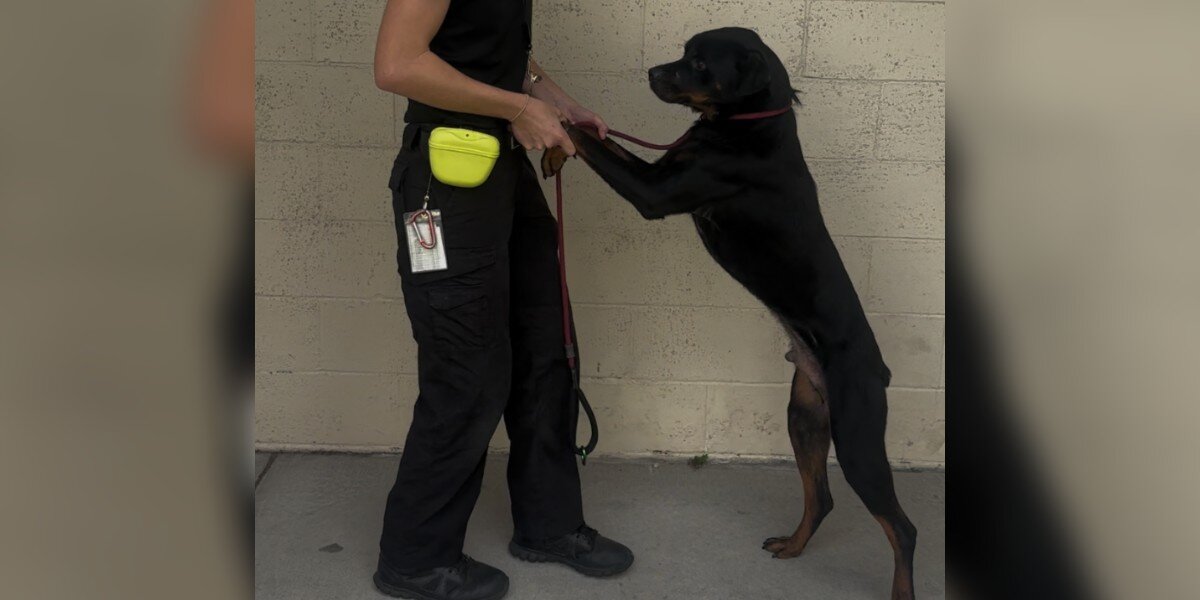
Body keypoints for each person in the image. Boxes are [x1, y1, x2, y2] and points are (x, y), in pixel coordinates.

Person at [371, 1, 634, 599]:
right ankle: (414, 558)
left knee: (547, 352)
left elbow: (491, 52)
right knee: (467, 370)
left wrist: (554, 102)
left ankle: (549, 525)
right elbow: (396, 65)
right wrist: (520, 109)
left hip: (503, 172)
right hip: (447, 180)